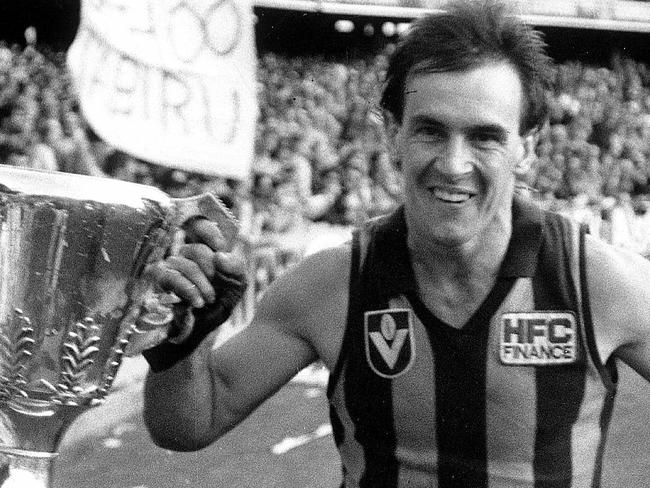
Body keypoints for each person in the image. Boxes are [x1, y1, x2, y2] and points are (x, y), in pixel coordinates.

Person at [140, 1, 650, 486]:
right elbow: (190, 424)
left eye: (484, 137)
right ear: (393, 134)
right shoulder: (333, 285)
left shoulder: (597, 282)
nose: (454, 165)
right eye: (431, 131)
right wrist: (184, 344)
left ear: (528, 147)